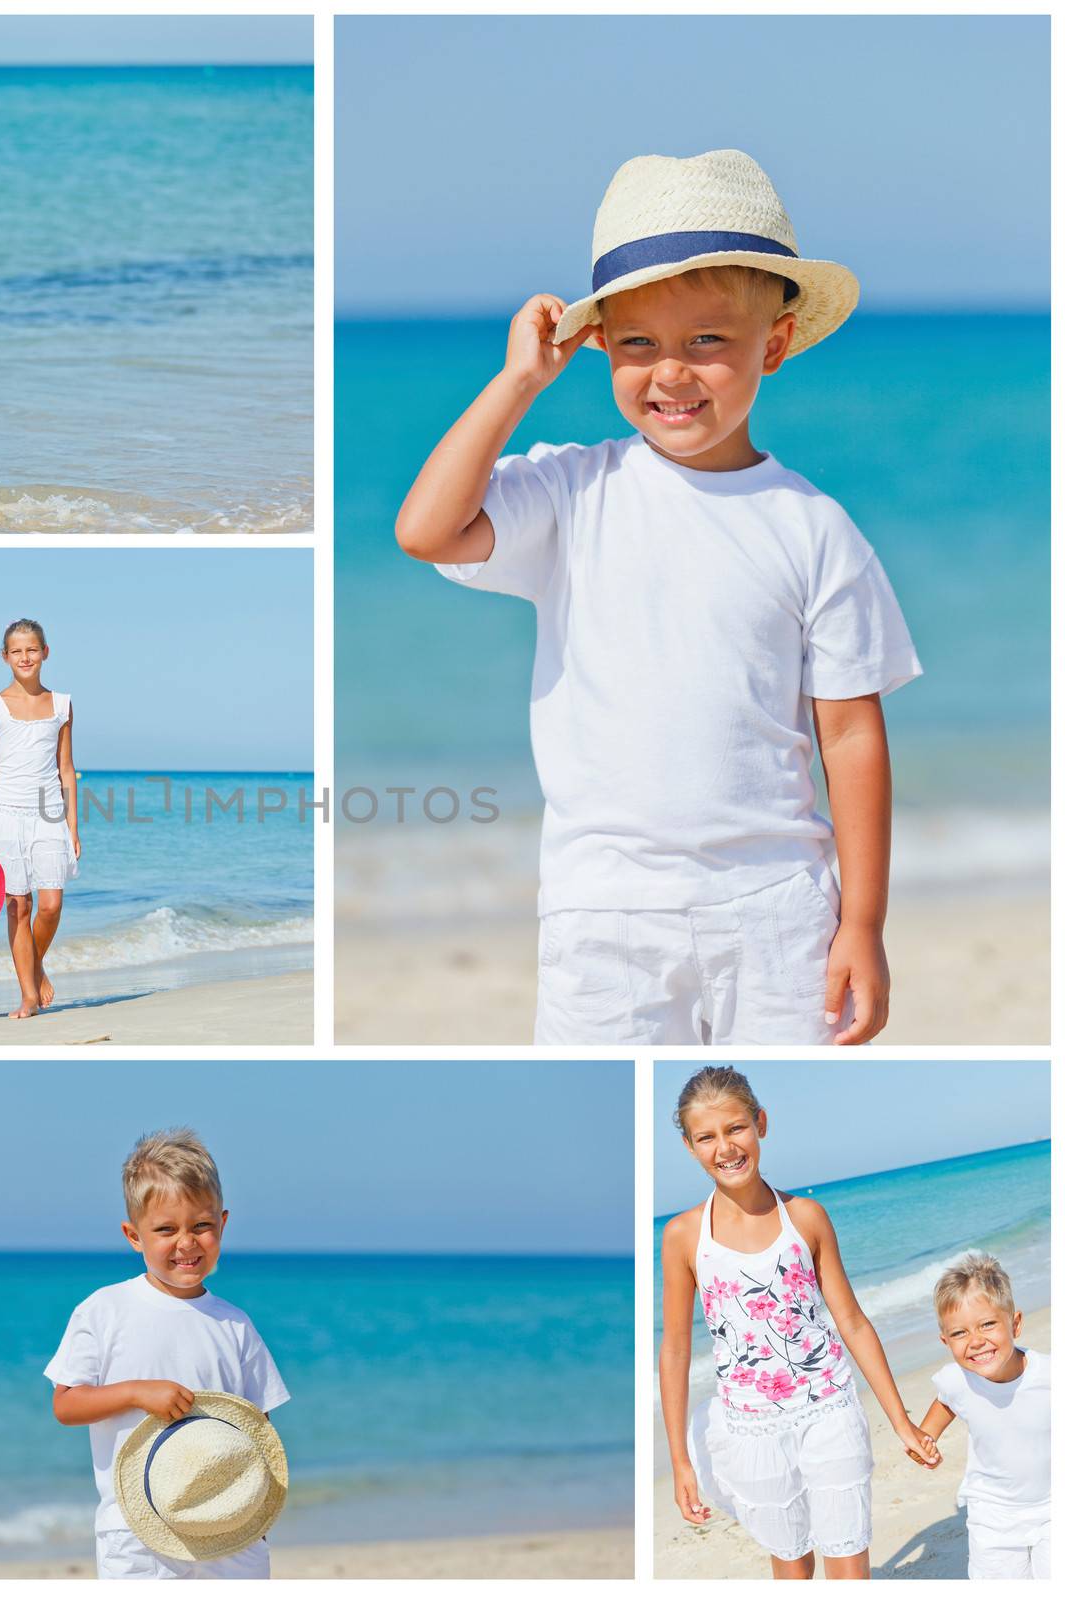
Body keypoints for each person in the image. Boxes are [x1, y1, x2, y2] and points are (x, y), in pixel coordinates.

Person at [396, 149, 921, 1046]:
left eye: (706, 341)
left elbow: (850, 733)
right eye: (638, 343)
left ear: (776, 344)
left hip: (777, 906)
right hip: (603, 911)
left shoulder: (813, 526)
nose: (670, 373)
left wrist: (862, 925)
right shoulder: (572, 492)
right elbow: (427, 530)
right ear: (599, 346)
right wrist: (520, 380)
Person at [658, 1066, 939, 1578]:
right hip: (753, 1427)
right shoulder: (683, 1236)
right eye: (707, 1137)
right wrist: (680, 1459)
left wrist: (901, 1421)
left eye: (736, 1128)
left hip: (829, 1408)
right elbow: (674, 1350)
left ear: (760, 1123)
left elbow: (851, 1321)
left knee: (849, 1564)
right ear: (690, 1146)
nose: (725, 1147)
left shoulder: (806, 1218)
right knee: (791, 1567)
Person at [45, 1128, 290, 1579]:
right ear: (133, 1236)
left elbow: (259, 1429)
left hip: (227, 1522)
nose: (186, 1242)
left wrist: (254, 1513)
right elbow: (66, 1404)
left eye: (201, 1225)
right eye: (165, 1229)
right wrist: (136, 1392)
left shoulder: (234, 1325)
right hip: (135, 1532)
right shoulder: (105, 1310)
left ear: (223, 1224)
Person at [0, 618, 80, 1018]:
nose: (25, 657)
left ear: (45, 652)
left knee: (50, 905)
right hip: (6, 813)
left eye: (32, 649)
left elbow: (66, 769)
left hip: (48, 813)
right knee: (17, 907)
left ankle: (36, 962)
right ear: (5, 657)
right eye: (17, 651)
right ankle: (28, 995)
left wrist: (72, 827)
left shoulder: (62, 704)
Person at [915, 1253, 1050, 1578]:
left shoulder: (1049, 1377)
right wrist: (926, 1437)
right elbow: (946, 1402)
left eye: (988, 1324)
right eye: (959, 1334)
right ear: (945, 1341)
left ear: (1014, 1323)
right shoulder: (957, 1380)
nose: (976, 1341)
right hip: (992, 1516)